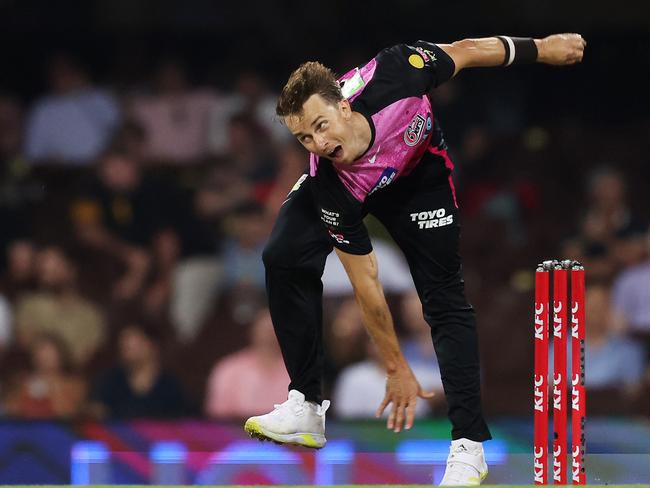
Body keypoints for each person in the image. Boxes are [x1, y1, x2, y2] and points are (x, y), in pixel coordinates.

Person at [244, 33, 585, 485]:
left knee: (444, 297)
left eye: (321, 125)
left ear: (343, 105)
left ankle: (468, 447)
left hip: (416, 176)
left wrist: (542, 48)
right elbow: (367, 282)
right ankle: (306, 404)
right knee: (281, 255)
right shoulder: (328, 179)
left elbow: (466, 52)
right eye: (304, 137)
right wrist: (395, 366)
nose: (318, 142)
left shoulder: (397, 72)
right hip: (355, 188)